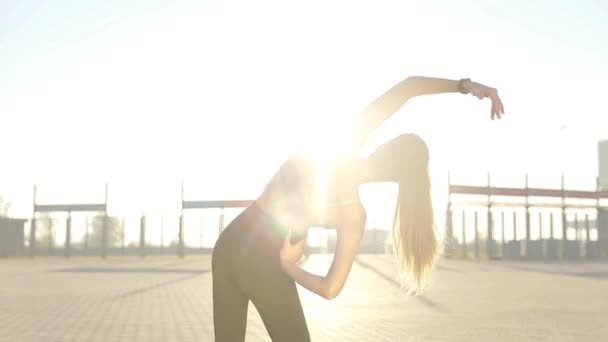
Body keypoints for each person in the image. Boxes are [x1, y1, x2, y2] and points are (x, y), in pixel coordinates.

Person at [212, 76, 505, 341]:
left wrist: (467, 87)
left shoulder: (347, 143)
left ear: (389, 145)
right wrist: (289, 267)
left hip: (231, 241)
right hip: (264, 261)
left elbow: (409, 87)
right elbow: (330, 289)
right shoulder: (354, 215)